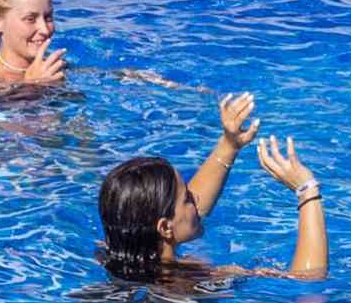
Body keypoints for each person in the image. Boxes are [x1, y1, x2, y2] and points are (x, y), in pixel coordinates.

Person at [95, 100, 325, 287]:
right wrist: (307, 190)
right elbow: (306, 282)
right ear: (164, 228)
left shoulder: (110, 254)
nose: (196, 198)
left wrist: (229, 145)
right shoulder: (192, 281)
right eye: (188, 198)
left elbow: (175, 213)